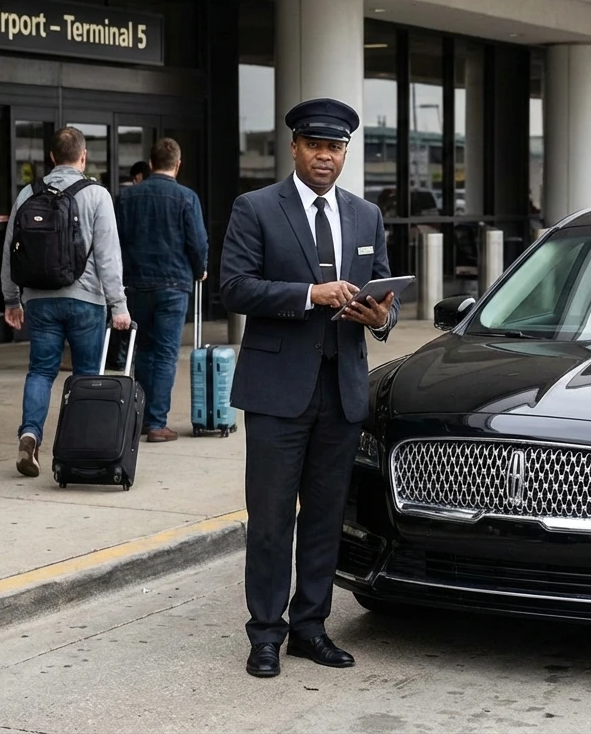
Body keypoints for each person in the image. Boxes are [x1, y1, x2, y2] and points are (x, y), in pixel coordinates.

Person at [220, 97, 398, 678]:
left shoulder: (366, 215)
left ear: (346, 152)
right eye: (316, 146)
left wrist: (381, 320)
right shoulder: (256, 208)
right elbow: (235, 288)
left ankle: (310, 628)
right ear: (294, 147)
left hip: (342, 389)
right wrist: (308, 296)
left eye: (336, 147)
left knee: (325, 517)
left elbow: (385, 299)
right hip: (276, 391)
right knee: (271, 519)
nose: (326, 156)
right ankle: (265, 634)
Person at [1, 127, 131, 478]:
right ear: (83, 157)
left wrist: (12, 299)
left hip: (40, 300)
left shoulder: (28, 193)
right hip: (87, 300)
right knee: (87, 376)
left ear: (52, 158)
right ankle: (81, 444)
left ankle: (30, 434)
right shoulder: (97, 195)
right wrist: (118, 305)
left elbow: (10, 250)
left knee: (41, 371)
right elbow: (108, 256)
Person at [115, 138, 208, 443]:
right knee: (167, 353)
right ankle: (157, 423)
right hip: (173, 284)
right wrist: (200, 269)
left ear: (151, 163)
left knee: (142, 349)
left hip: (136, 284)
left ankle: (141, 417)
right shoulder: (187, 198)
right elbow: (197, 241)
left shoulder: (127, 198)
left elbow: (116, 241)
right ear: (177, 164)